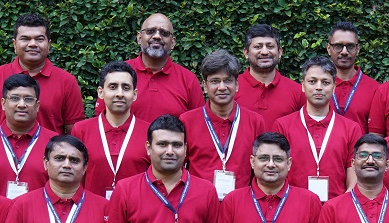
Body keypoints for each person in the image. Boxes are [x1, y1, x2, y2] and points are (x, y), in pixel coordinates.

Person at [0, 12, 84, 134]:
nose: (32, 44)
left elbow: (74, 134)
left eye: (39, 39)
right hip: (2, 152)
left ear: (49, 45)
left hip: (48, 151)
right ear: (14, 44)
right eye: (25, 39)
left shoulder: (66, 81)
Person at [273, 55, 361, 203]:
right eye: (312, 81)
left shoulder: (351, 129)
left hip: (336, 209)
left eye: (325, 82)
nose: (318, 87)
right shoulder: (283, 126)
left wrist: (342, 205)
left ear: (334, 87)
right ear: (302, 85)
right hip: (292, 207)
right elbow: (276, 172)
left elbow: (354, 176)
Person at [182, 49, 266, 199]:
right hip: (197, 203)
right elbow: (179, 168)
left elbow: (260, 170)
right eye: (215, 81)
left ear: (237, 85)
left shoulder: (255, 121)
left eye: (227, 80)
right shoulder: (187, 121)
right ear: (205, 86)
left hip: (241, 205)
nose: (222, 87)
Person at [0, 73, 59, 198]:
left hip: (38, 216)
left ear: (37, 106)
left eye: (28, 99)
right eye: (15, 98)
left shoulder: (55, 144)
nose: (22, 104)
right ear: (3, 103)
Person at [76, 61, 147, 199]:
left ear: (135, 94)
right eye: (113, 87)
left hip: (136, 214)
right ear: (101, 92)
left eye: (126, 88)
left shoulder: (149, 132)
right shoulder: (82, 130)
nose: (120, 94)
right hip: (93, 214)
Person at [122, 13, 204, 122]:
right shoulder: (119, 73)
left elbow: (198, 124)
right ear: (139, 38)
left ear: (173, 43)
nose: (157, 36)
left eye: (164, 33)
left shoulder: (189, 80)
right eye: (150, 31)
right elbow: (103, 119)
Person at [238, 23, 305, 122]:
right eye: (258, 47)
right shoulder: (232, 88)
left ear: (280, 52)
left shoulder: (298, 91)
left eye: (270, 46)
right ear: (246, 53)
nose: (264, 52)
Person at [326, 22, 380, 131]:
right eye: (338, 46)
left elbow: (375, 134)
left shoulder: (374, 88)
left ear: (358, 49)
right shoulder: (318, 86)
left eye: (350, 46)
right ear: (328, 48)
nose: (344, 52)